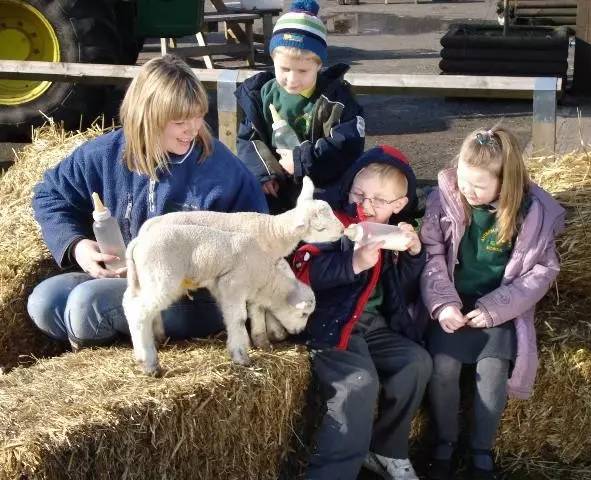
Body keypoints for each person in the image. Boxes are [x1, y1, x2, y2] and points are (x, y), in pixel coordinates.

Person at [27, 55, 267, 350]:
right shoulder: (106, 154)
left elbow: (257, 241)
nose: (192, 129)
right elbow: (50, 195)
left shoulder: (224, 171)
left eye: (198, 116)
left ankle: (116, 359)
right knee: (45, 301)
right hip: (127, 277)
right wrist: (77, 246)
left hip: (197, 298)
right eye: (180, 121)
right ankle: (117, 333)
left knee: (87, 304)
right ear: (147, 117)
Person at [419, 127, 565, 480]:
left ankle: (481, 449)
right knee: (443, 368)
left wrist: (495, 308)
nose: (467, 190)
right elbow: (433, 256)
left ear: (506, 182)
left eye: (479, 186)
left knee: (494, 372)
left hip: (498, 305)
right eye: (464, 179)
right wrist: (442, 305)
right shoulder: (446, 198)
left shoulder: (534, 213)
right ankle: (444, 443)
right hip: (454, 302)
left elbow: (541, 272)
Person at [291, 145, 432, 480]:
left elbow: (403, 288)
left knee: (416, 362)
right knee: (359, 385)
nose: (366, 205)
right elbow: (301, 269)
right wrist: (351, 263)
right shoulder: (331, 221)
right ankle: (331, 473)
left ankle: (387, 448)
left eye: (379, 200)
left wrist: (412, 254)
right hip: (332, 323)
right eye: (359, 193)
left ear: (398, 205)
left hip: (374, 326)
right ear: (348, 187)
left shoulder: (393, 230)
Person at [235, 0, 365, 214]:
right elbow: (249, 140)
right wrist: (265, 173)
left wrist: (301, 162)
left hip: (321, 186)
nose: (292, 79)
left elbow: (347, 145)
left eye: (303, 71)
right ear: (272, 59)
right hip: (277, 185)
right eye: (284, 68)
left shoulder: (336, 100)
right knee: (255, 207)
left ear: (319, 65)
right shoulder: (261, 95)